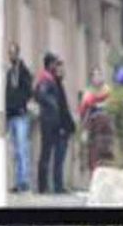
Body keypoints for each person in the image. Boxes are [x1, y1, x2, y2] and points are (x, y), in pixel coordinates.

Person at [34, 53, 75, 194]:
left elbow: (63, 105)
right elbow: (41, 96)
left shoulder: (54, 81)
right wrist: (54, 107)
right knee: (46, 155)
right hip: (49, 123)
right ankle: (43, 186)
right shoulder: (46, 80)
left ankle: (57, 185)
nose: (58, 67)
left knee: (57, 157)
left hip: (56, 123)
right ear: (49, 64)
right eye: (55, 64)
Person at [5, 42, 33, 192]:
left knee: (23, 148)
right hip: (11, 116)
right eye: (10, 53)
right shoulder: (9, 73)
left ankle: (24, 181)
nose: (11, 56)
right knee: (15, 151)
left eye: (13, 53)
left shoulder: (24, 72)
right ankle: (17, 180)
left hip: (21, 115)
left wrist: (21, 103)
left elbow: (28, 91)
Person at [80, 66, 114, 172]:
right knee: (94, 154)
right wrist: (84, 130)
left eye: (100, 74)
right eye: (95, 75)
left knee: (107, 153)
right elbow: (84, 111)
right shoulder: (88, 94)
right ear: (92, 79)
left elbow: (113, 107)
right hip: (94, 129)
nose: (98, 77)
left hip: (107, 129)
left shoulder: (108, 91)